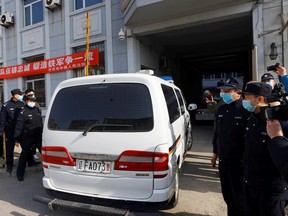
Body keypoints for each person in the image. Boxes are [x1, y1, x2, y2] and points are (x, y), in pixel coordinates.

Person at [240, 82, 288, 216]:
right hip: (251, 185)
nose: (244, 100)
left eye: (246, 97)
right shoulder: (252, 120)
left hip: (271, 191)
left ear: (260, 99)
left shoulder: (278, 123)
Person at [211, 77, 250, 216]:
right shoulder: (222, 109)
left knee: (240, 198)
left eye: (227, 91)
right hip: (224, 162)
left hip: (240, 165)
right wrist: (215, 152)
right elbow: (217, 134)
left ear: (238, 92)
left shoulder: (246, 111)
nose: (223, 93)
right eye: (222, 90)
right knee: (228, 196)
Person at [14, 94, 43, 181]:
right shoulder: (23, 112)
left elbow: (40, 122)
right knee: (24, 155)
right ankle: (19, 174)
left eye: (34, 101)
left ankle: (50, 171)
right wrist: (17, 139)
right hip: (28, 136)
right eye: (31, 101)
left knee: (44, 153)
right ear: (26, 101)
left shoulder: (37, 109)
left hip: (38, 136)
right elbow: (19, 126)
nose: (32, 102)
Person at [0, 89, 24, 174]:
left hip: (21, 131)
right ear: (14, 95)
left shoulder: (22, 104)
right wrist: (1, 131)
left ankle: (28, 162)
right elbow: (2, 120)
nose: (21, 96)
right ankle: (9, 166)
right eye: (19, 94)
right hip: (10, 131)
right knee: (9, 149)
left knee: (25, 147)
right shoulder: (6, 105)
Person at [24, 88, 41, 163]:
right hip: (27, 130)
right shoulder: (23, 103)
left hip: (36, 128)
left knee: (37, 144)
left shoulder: (35, 103)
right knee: (28, 147)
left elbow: (39, 112)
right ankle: (30, 159)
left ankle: (33, 156)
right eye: (30, 94)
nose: (32, 96)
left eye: (33, 94)